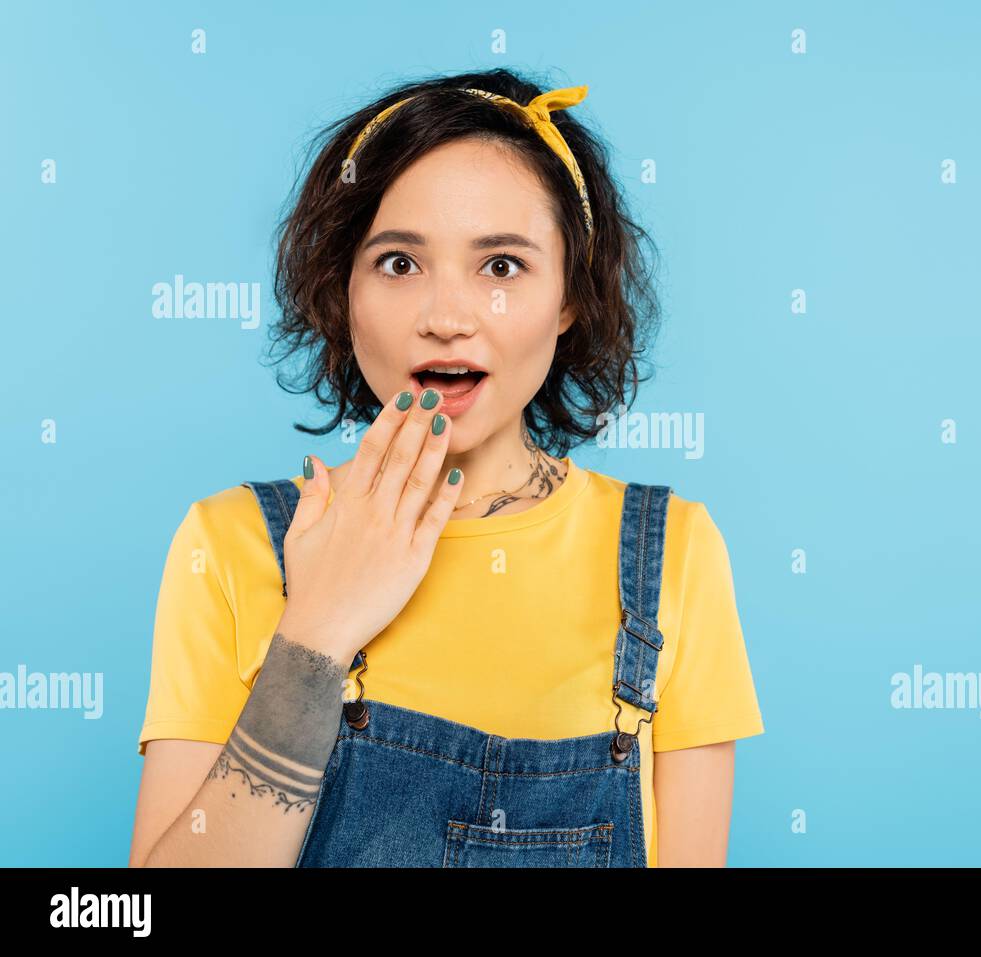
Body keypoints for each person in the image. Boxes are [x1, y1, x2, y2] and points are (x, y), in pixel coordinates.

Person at [128, 68, 764, 868]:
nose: (446, 318)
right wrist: (315, 634)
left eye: (501, 266)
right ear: (343, 287)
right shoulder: (227, 544)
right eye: (399, 263)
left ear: (569, 295)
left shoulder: (673, 554)